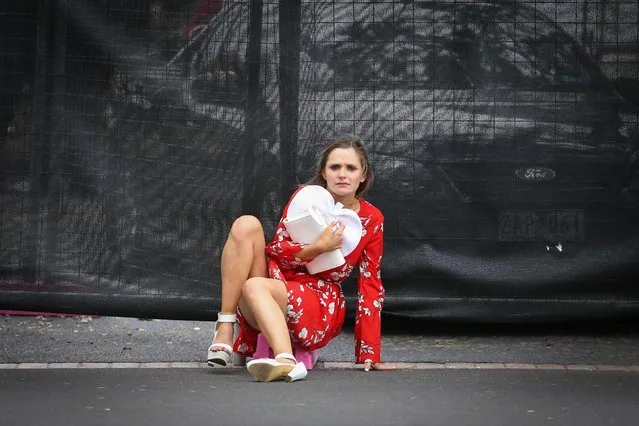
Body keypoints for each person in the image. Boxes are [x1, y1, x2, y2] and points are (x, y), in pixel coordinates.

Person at [207, 135, 394, 382]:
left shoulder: (372, 219)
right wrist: (318, 247)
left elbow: (370, 284)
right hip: (276, 280)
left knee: (254, 285)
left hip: (319, 300)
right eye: (335, 167)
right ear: (324, 173)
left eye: (351, 168)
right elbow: (277, 253)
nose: (342, 174)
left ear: (363, 176)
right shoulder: (305, 199)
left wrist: (369, 352)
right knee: (246, 225)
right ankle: (226, 325)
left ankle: (285, 359)